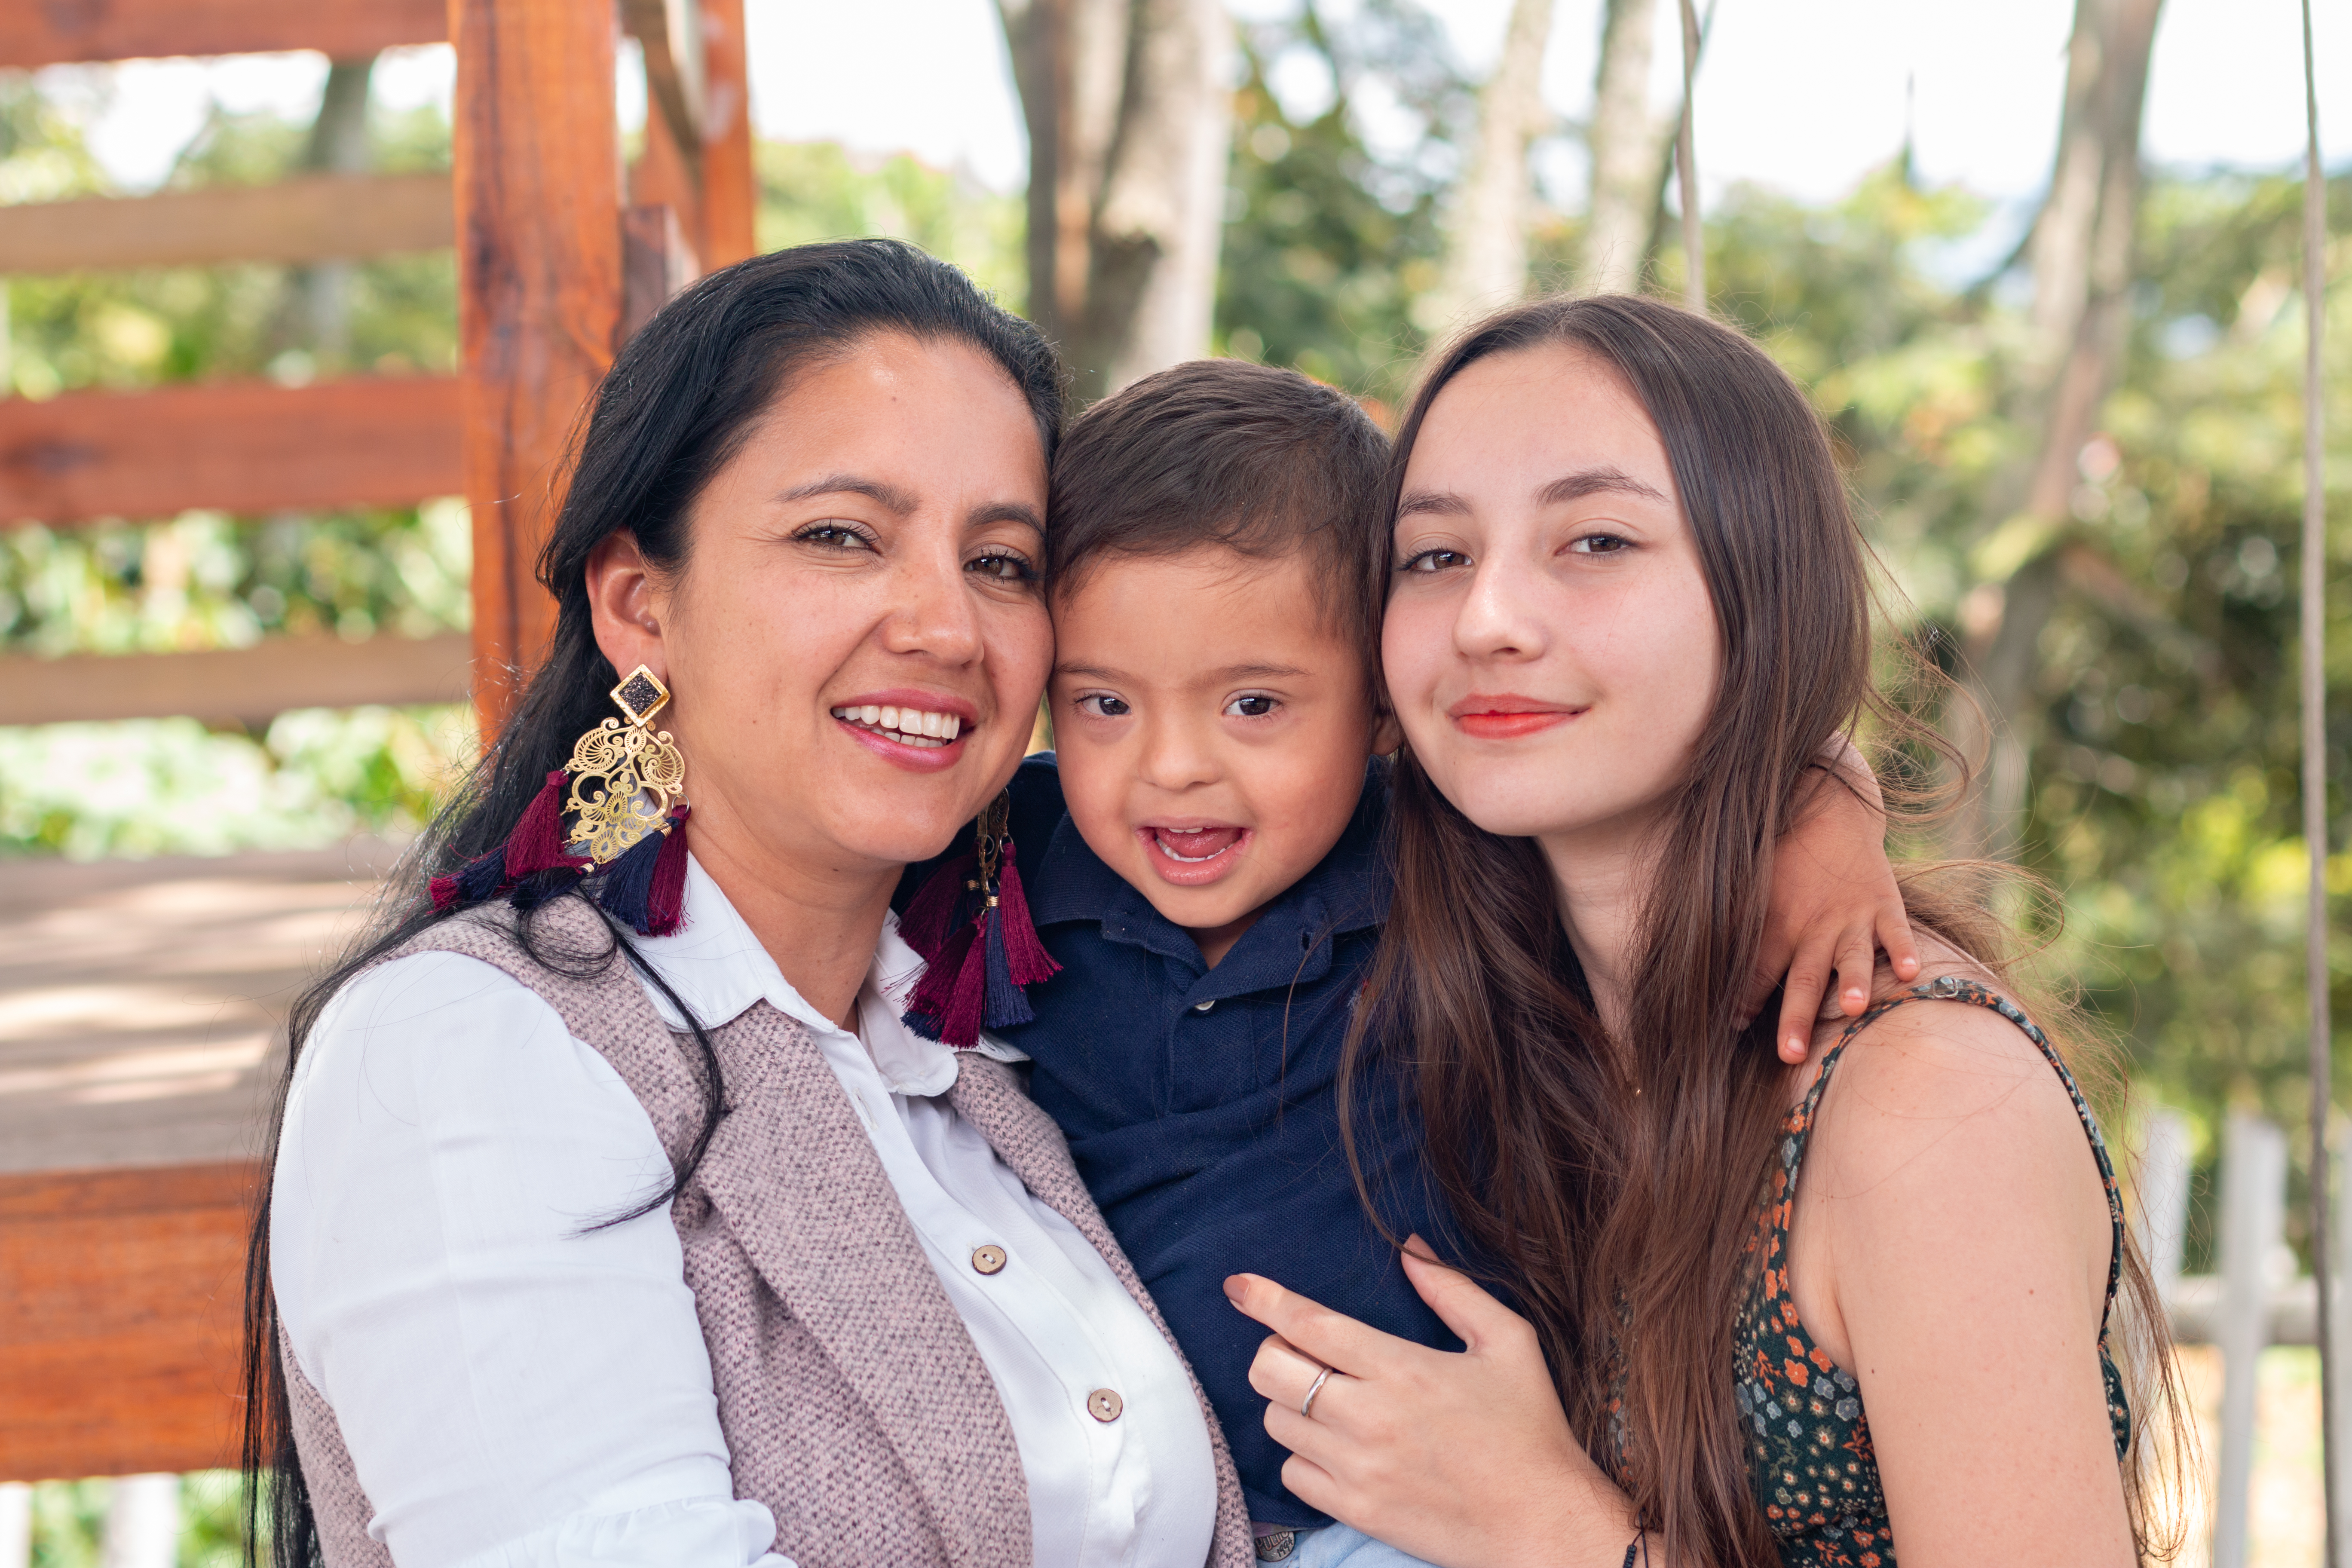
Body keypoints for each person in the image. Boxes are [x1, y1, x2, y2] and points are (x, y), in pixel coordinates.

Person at [243, 240, 1255, 1568]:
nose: (947, 625)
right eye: (841, 535)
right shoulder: (468, 1050)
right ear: (638, 603)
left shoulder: (989, 1052)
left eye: (1002, 561)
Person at [1225, 295, 2180, 1568]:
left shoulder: (1918, 1100)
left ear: (1763, 589)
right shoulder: (1474, 989)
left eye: (1599, 540)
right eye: (1436, 556)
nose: (1488, 617)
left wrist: (1554, 1532)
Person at [933, 356, 1922, 1568]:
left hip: (1415, 1519)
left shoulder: (1441, 852)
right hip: (1120, 1511)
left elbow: (1694, 751)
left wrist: (1827, 806)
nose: (1172, 767)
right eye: (1103, 706)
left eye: (1254, 706)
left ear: (1382, 703)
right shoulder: (1003, 858)